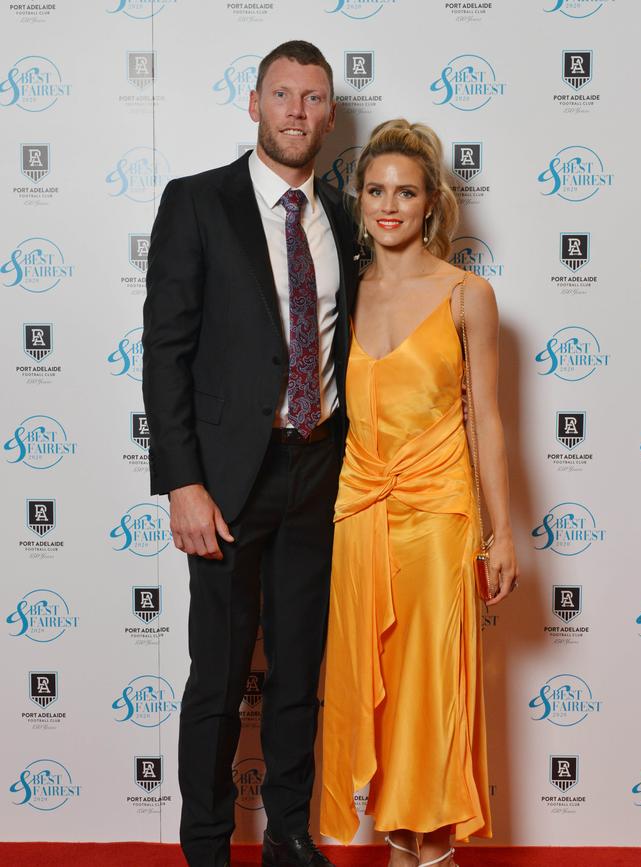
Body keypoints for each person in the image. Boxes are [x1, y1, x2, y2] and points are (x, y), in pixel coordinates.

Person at [142, 41, 357, 867]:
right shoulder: (197, 202)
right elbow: (167, 351)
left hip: (317, 469)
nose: (297, 111)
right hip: (228, 480)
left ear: (331, 115)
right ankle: (205, 846)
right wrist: (183, 483)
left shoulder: (342, 215)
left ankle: (291, 833)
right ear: (254, 103)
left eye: (312, 98)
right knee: (220, 675)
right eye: (282, 94)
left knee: (300, 668)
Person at [320, 120, 519, 866]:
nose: (389, 205)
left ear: (432, 202)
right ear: (360, 198)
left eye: (406, 191)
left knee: (430, 691)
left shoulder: (468, 294)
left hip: (438, 516)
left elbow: (489, 419)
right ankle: (397, 839)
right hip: (358, 511)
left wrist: (502, 532)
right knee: (377, 695)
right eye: (376, 190)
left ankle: (428, 850)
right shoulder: (344, 289)